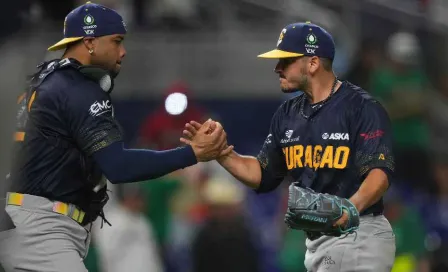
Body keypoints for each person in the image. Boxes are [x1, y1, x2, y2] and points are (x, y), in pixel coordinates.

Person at [0, 2, 231, 272]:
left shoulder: (44, 82)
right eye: (116, 41)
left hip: (26, 222)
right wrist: (192, 153)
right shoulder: (78, 89)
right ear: (89, 42)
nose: (123, 52)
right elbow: (118, 166)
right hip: (41, 229)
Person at [182, 22, 396, 272]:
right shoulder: (287, 114)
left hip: (360, 234)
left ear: (313, 63)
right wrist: (221, 153)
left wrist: (350, 208)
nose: (277, 68)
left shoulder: (361, 108)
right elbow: (262, 174)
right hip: (319, 241)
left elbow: (379, 174)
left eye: (286, 61)